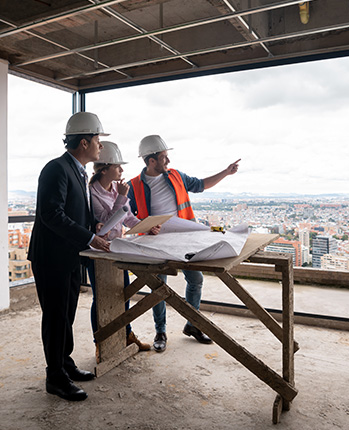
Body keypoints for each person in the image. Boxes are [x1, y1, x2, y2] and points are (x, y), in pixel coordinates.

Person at [127, 134, 240, 352]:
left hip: (185, 238)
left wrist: (226, 172)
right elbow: (128, 217)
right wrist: (145, 226)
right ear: (151, 161)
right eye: (163, 157)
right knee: (157, 287)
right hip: (155, 242)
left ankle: (192, 325)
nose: (168, 161)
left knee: (195, 279)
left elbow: (200, 185)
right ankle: (160, 330)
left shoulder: (177, 176)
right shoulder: (134, 186)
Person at [27, 112, 111, 402]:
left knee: (67, 314)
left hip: (69, 255)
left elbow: (73, 212)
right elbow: (51, 214)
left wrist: (92, 226)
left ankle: (65, 363)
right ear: (85, 142)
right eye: (99, 140)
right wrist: (89, 238)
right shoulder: (56, 169)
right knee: (56, 316)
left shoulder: (78, 171)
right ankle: (55, 377)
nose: (101, 146)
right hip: (51, 257)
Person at [86, 141, 159, 357]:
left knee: (123, 295)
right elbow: (106, 222)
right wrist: (120, 197)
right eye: (118, 167)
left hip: (117, 248)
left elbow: (127, 217)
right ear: (105, 168)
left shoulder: (116, 189)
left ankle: (126, 335)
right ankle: (101, 342)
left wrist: (145, 226)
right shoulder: (92, 193)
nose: (122, 170)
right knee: (101, 299)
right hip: (99, 252)